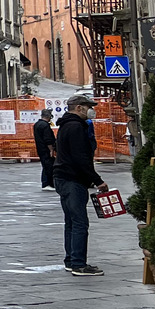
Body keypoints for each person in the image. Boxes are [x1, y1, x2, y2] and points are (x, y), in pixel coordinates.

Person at [52, 94, 106, 276]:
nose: (91, 109)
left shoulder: (66, 125)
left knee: (71, 222)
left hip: (63, 178)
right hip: (72, 180)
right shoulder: (75, 127)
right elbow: (80, 158)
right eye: (88, 106)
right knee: (80, 223)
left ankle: (71, 260)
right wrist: (98, 180)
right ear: (79, 108)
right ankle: (78, 264)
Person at [32, 108, 56, 190]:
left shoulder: (37, 124)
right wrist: (51, 150)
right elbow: (48, 139)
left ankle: (46, 183)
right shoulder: (45, 126)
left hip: (40, 148)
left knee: (45, 166)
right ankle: (48, 183)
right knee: (49, 166)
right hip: (46, 149)